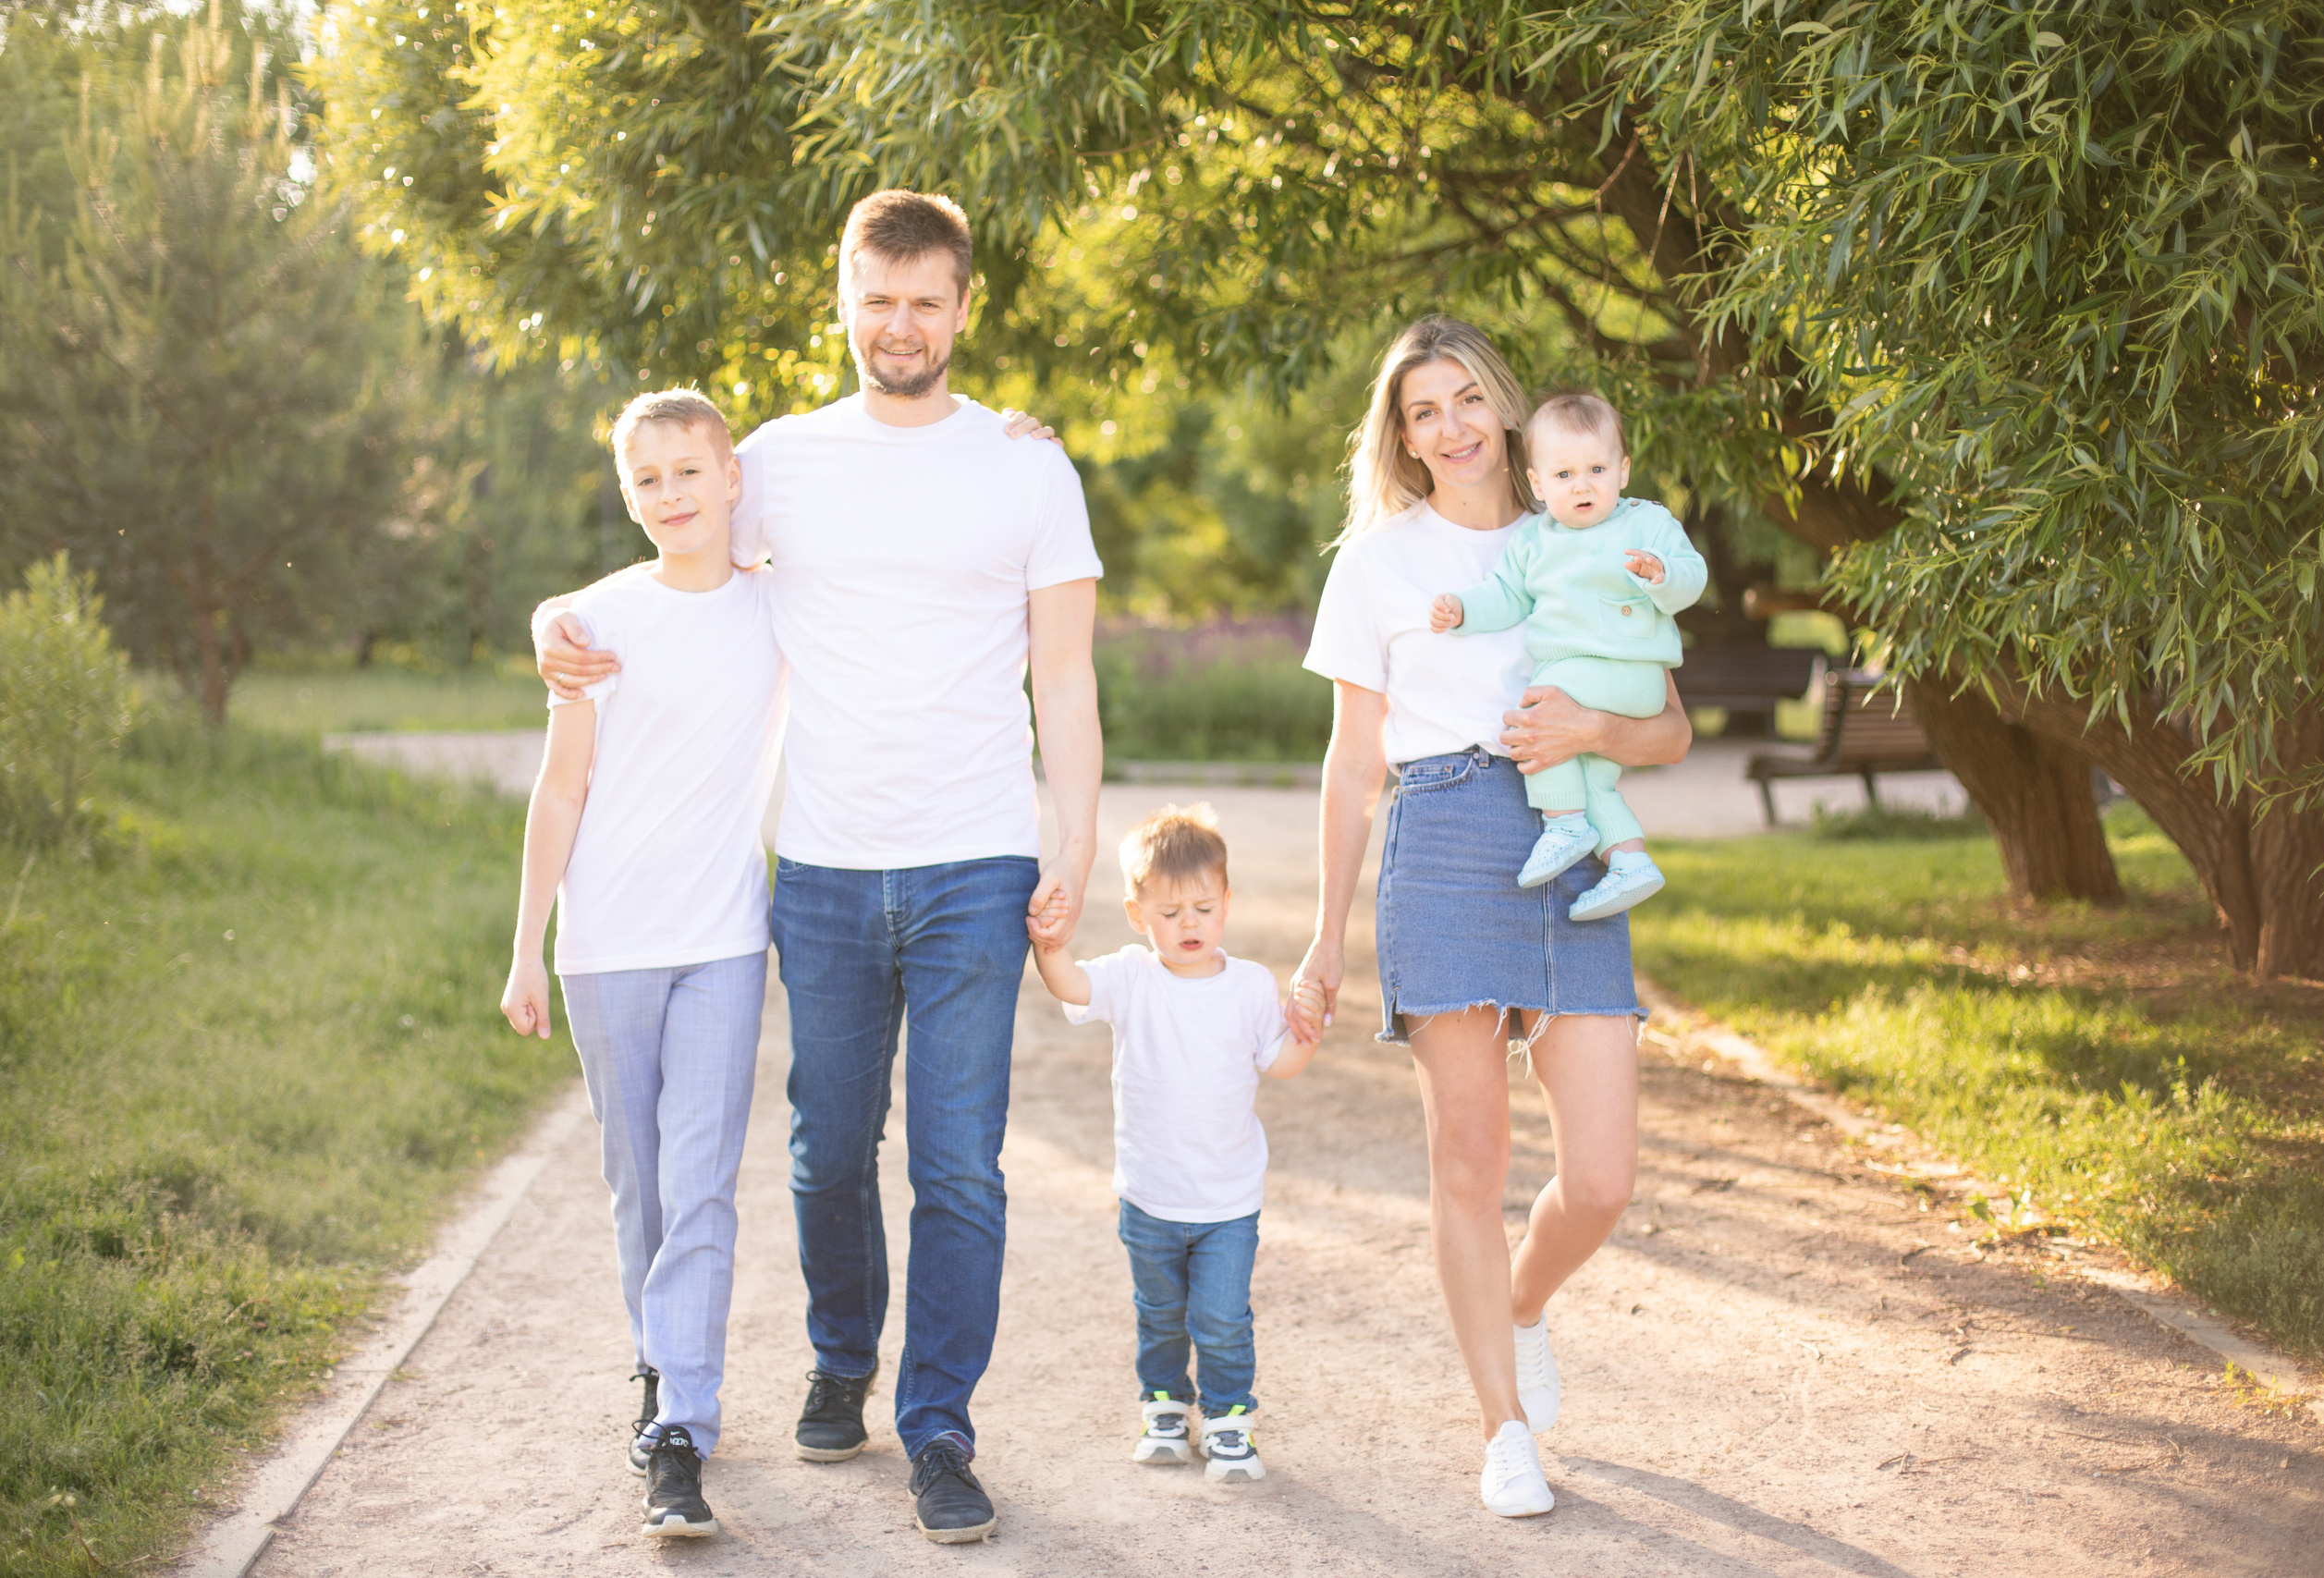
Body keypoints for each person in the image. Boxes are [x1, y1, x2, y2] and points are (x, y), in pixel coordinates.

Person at [533, 190, 1100, 1546]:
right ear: (842, 301)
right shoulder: (776, 458)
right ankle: (842, 1351)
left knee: (960, 1162)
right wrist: (558, 619)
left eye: (926, 300)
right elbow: (668, 538)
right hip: (828, 866)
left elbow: (1067, 676)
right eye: (877, 297)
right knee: (829, 1146)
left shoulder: (1029, 469)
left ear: (966, 308)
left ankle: (941, 1426)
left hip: (976, 859)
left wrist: (1070, 839)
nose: (900, 324)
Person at [1286, 318, 1692, 1519]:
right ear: (1401, 437)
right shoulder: (1377, 562)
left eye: (1468, 398)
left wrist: (1595, 734)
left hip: (1568, 831)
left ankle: (1520, 1305)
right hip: (1446, 832)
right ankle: (1501, 1422)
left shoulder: (1588, 520)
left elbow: (1668, 729)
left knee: (1604, 1176)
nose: (1452, 425)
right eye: (1425, 410)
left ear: (1504, 408)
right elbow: (1353, 756)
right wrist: (1324, 931)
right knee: (1467, 1156)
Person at [500, 389, 789, 1539]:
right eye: (647, 481)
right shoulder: (596, 623)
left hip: (722, 939)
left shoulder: (779, 611)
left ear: (730, 479)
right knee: (643, 1188)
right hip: (606, 945)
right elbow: (560, 788)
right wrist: (527, 947)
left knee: (704, 1183)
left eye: (688, 472)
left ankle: (682, 1426)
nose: (670, 495)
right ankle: (656, 1366)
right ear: (629, 497)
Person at [1028, 805, 1322, 1485]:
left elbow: (1278, 1061)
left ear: (1226, 903)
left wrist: (1308, 1031)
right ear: (1138, 914)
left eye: (1203, 907)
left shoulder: (1249, 985)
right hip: (1151, 1194)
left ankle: (1227, 1419)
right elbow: (1074, 985)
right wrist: (1050, 946)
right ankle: (1163, 1403)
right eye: (1169, 912)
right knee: (1160, 1314)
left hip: (1227, 1198)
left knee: (1221, 1317)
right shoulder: (1133, 975)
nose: (1188, 924)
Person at [1429, 391, 1706, 920]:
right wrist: (1463, 609)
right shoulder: (1535, 540)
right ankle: (1630, 861)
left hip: (1625, 672)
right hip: (1597, 683)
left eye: (1597, 469)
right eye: (1563, 476)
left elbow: (1692, 576)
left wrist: (1662, 575)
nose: (1582, 485)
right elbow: (1505, 595)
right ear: (1537, 484)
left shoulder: (1645, 523)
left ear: (1623, 471)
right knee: (1591, 776)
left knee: (1540, 718)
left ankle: (1564, 826)